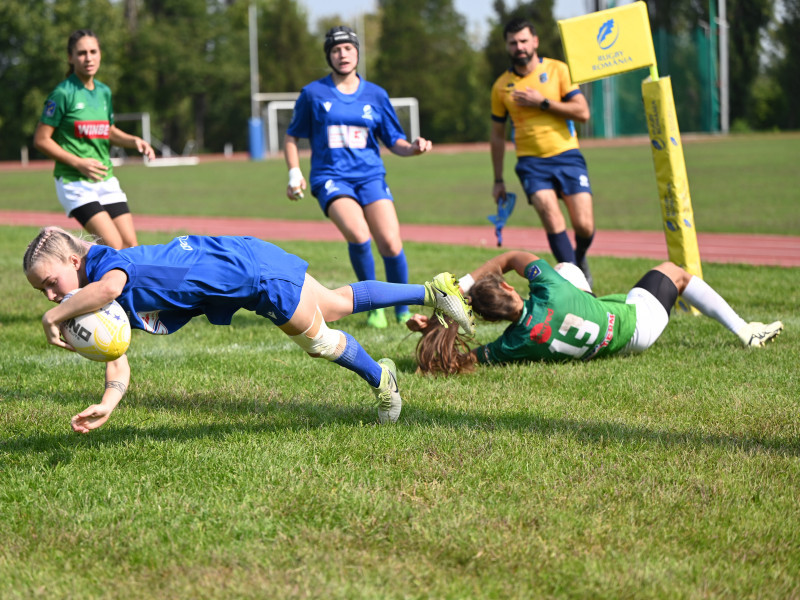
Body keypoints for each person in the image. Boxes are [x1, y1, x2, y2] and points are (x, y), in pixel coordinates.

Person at [23, 227, 475, 431]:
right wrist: (107, 403)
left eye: (50, 283)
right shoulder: (99, 288)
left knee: (320, 341)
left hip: (255, 278)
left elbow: (107, 290)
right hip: (245, 256)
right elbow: (114, 353)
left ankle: (382, 378)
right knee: (336, 303)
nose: (50, 295)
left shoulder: (105, 269)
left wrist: (53, 316)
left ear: (73, 260)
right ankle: (431, 292)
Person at [408, 251, 783, 374]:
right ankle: (745, 332)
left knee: (571, 269)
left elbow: (459, 361)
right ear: (508, 287)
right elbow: (509, 257)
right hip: (638, 325)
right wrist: (462, 286)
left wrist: (435, 328)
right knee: (676, 272)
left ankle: (592, 303)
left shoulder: (512, 344)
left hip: (613, 344)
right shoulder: (548, 288)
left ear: (491, 321)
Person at [283, 26, 433, 329]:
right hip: (331, 177)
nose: (342, 54)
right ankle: (372, 307)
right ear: (329, 56)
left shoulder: (376, 95)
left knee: (391, 244)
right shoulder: (313, 94)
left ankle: (402, 310)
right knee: (359, 235)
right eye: (336, 50)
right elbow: (291, 137)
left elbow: (395, 142)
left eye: (348, 48)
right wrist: (294, 173)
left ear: (357, 53)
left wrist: (414, 148)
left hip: (370, 177)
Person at [490, 17, 596, 286]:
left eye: (524, 41)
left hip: (568, 155)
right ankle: (578, 285)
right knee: (550, 215)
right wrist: (498, 179)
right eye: (513, 43)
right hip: (531, 163)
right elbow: (497, 135)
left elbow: (583, 112)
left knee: (584, 225)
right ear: (507, 46)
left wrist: (543, 103)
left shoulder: (558, 70)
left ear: (535, 41)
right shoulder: (501, 86)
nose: (519, 47)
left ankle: (578, 257)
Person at [33, 29, 155, 250]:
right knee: (113, 244)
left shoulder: (104, 92)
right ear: (70, 58)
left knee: (130, 245)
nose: (88, 58)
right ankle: (81, 278)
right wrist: (79, 163)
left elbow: (107, 130)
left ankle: (115, 284)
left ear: (100, 54)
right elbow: (41, 140)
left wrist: (133, 140)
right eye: (81, 53)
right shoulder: (62, 93)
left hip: (105, 178)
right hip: (75, 182)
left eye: (93, 51)